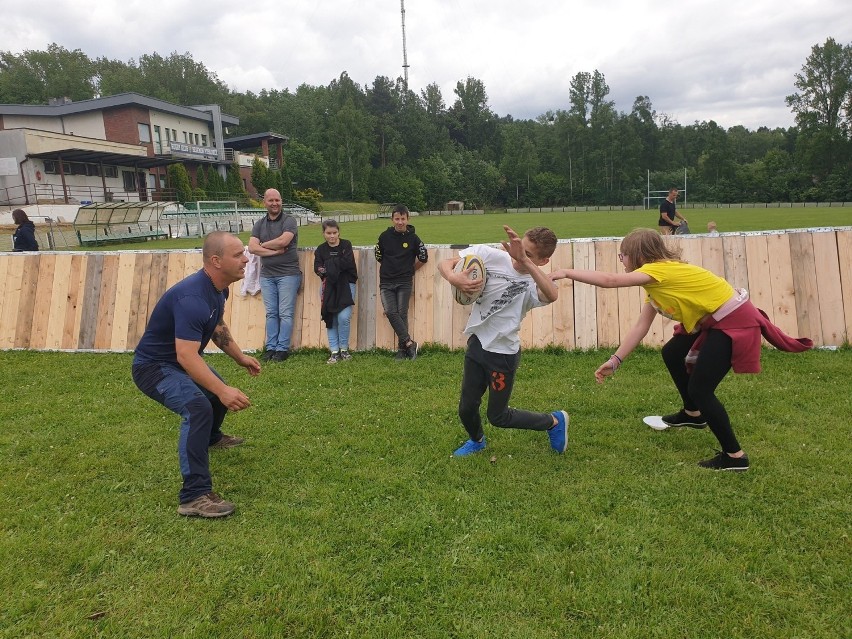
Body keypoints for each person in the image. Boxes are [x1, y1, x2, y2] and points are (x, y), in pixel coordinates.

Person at [550, 228, 813, 471]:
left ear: (638, 256)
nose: (621, 261)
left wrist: (566, 272)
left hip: (734, 323)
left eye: (623, 255)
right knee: (673, 352)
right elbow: (641, 326)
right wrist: (615, 360)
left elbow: (609, 280)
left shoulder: (661, 271)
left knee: (701, 389)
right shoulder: (655, 282)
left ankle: (735, 456)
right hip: (715, 321)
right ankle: (693, 414)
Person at [132, 231, 261, 517]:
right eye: (238, 254)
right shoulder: (192, 297)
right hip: (154, 368)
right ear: (216, 261)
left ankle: (211, 438)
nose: (246, 258)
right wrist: (224, 391)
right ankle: (193, 495)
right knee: (200, 406)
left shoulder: (218, 288)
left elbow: (216, 326)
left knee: (214, 396)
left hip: (178, 362)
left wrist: (239, 357)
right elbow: (186, 356)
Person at [438, 225, 569, 457]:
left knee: (498, 416)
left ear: (543, 261)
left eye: (529, 255)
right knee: (466, 407)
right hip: (478, 344)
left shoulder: (534, 283)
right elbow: (445, 263)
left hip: (503, 355)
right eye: (521, 249)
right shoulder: (490, 256)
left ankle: (554, 421)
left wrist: (525, 263)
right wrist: (453, 277)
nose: (519, 256)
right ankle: (477, 440)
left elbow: (553, 295)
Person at [248, 188, 302, 362]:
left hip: (288, 274)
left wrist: (263, 246)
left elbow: (283, 241)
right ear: (265, 202)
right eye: (271, 200)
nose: (275, 203)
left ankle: (282, 349)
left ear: (281, 201)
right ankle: (270, 347)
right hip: (267, 275)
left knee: (285, 313)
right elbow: (251, 248)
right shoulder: (259, 224)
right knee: (271, 313)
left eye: (277, 200)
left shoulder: (289, 221)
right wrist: (274, 252)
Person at [374, 204, 428, 360]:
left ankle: (401, 350)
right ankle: (410, 343)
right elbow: (378, 255)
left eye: (402, 219)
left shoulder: (414, 238)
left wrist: (411, 270)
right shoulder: (384, 236)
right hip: (386, 281)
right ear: (392, 220)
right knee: (391, 312)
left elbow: (424, 257)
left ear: (407, 219)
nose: (400, 222)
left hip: (404, 281)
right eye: (396, 219)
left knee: (402, 314)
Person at [314, 219, 358, 363]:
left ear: (339, 232)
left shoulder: (346, 245)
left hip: (347, 284)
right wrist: (335, 265)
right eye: (328, 233)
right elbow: (318, 269)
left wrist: (328, 266)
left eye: (334, 233)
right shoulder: (320, 249)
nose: (332, 236)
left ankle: (344, 349)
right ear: (323, 234)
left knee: (343, 318)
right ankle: (334, 351)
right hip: (328, 287)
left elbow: (348, 263)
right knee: (331, 318)